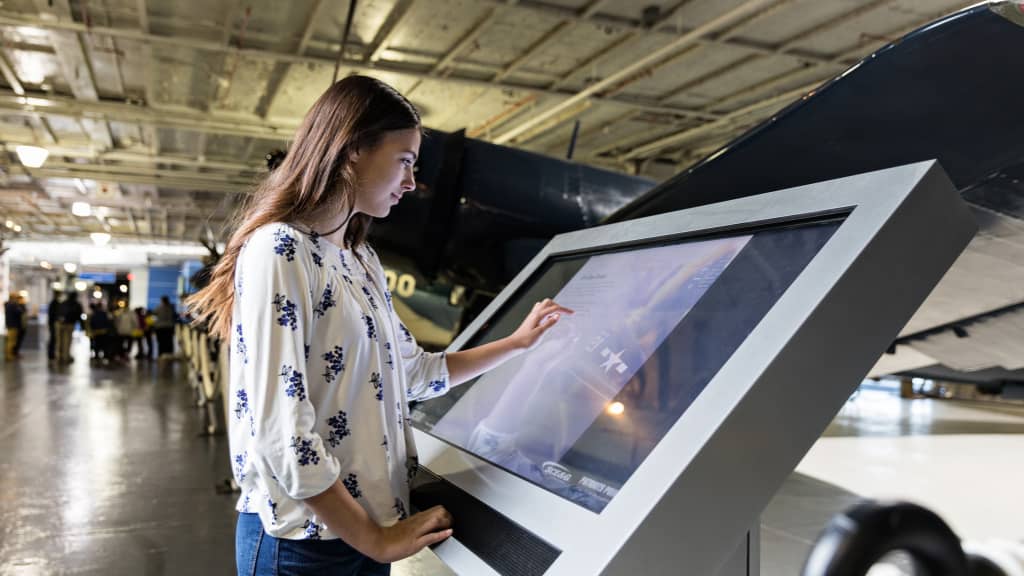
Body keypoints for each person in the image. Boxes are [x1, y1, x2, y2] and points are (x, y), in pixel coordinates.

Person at [186, 75, 571, 576]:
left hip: (365, 533)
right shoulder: (280, 250)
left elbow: (414, 373)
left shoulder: (360, 258)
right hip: (305, 542)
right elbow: (280, 429)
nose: (412, 183)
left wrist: (519, 344)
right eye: (405, 161)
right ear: (351, 151)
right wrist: (375, 540)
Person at [4, 294, 23, 361]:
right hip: (13, 325)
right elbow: (19, 312)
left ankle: (9, 355)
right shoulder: (12, 305)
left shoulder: (8, 305)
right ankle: (9, 356)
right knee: (11, 342)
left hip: (10, 325)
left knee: (10, 341)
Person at [47, 291, 61, 361]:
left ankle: (52, 354)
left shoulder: (55, 303)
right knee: (53, 338)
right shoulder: (54, 303)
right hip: (53, 323)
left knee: (53, 339)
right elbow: (53, 314)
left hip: (52, 323)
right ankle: (51, 354)